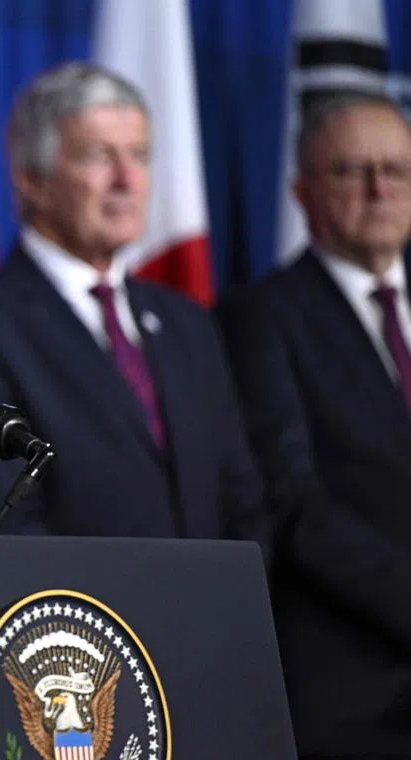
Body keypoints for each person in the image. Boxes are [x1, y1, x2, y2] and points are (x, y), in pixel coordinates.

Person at [0, 63, 267, 550]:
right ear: (31, 180)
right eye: (99, 157)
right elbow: (11, 517)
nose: (127, 180)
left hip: (214, 614)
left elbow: (241, 495)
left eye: (140, 156)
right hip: (85, 619)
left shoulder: (187, 321)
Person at [218, 91, 411, 758]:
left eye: (397, 169)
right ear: (302, 190)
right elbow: (295, 507)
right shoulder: (260, 317)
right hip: (360, 689)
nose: (379, 188)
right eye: (351, 171)